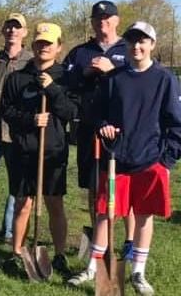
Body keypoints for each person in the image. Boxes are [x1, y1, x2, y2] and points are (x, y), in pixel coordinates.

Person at [87, 22, 181, 295]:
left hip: (150, 161)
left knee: (143, 216)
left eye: (142, 42)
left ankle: (138, 272)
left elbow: (175, 123)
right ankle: (94, 268)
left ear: (152, 44)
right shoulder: (114, 79)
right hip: (117, 160)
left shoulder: (165, 79)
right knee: (105, 213)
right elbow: (97, 114)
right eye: (131, 42)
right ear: (126, 45)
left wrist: (167, 160)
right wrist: (103, 124)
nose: (136, 47)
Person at [65, 0, 136, 286]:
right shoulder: (81, 52)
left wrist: (111, 70)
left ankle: (129, 242)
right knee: (95, 190)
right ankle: (99, 241)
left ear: (117, 20)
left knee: (125, 189)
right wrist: (84, 74)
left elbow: (136, 80)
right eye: (97, 18)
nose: (102, 22)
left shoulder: (128, 49)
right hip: (90, 131)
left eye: (107, 18)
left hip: (122, 131)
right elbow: (66, 82)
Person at [0, 23, 75, 277]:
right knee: (23, 203)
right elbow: (6, 111)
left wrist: (52, 89)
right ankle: (17, 252)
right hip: (23, 150)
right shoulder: (17, 78)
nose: (44, 47)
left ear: (58, 47)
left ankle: (60, 255)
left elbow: (71, 112)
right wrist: (30, 120)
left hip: (52, 151)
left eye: (49, 43)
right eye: (39, 43)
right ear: (32, 46)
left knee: (54, 203)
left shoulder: (65, 78)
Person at [0, 13, 34, 243]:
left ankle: (9, 230)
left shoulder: (32, 62)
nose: (13, 31)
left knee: (16, 184)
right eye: (9, 27)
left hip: (18, 131)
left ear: (24, 32)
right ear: (4, 30)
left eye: (18, 28)